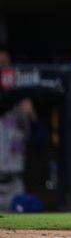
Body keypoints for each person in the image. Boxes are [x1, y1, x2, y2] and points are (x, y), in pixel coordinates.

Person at [0, 49, 37, 213]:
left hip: (15, 182)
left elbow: (39, 141)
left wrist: (32, 115)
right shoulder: (12, 100)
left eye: (5, 64)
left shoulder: (22, 105)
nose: (2, 68)